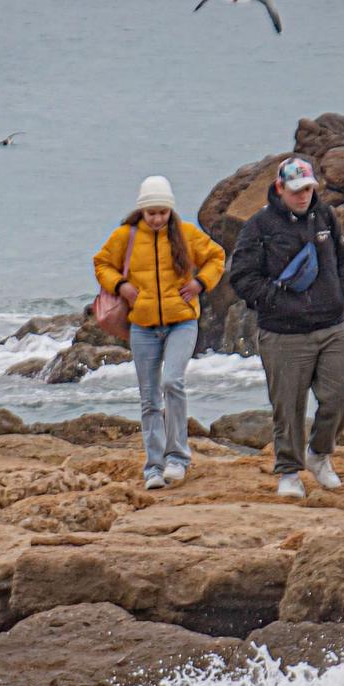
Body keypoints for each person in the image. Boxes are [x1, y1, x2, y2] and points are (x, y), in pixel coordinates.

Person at [227, 155, 344, 499]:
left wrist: (342, 289)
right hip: (283, 332)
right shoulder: (259, 226)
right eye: (296, 190)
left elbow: (343, 259)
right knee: (288, 405)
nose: (303, 196)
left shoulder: (325, 216)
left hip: (332, 325)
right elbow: (242, 277)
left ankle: (319, 454)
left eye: (309, 189)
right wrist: (278, 302)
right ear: (280, 188)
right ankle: (288, 471)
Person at [93, 175, 226, 489]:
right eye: (151, 212)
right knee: (150, 399)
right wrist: (121, 286)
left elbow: (216, 257)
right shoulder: (125, 236)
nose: (156, 218)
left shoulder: (186, 234)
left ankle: (178, 458)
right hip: (143, 327)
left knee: (173, 382)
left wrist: (200, 283)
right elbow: (101, 264)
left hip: (182, 322)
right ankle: (154, 467)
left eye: (162, 212)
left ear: (170, 210)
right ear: (142, 210)